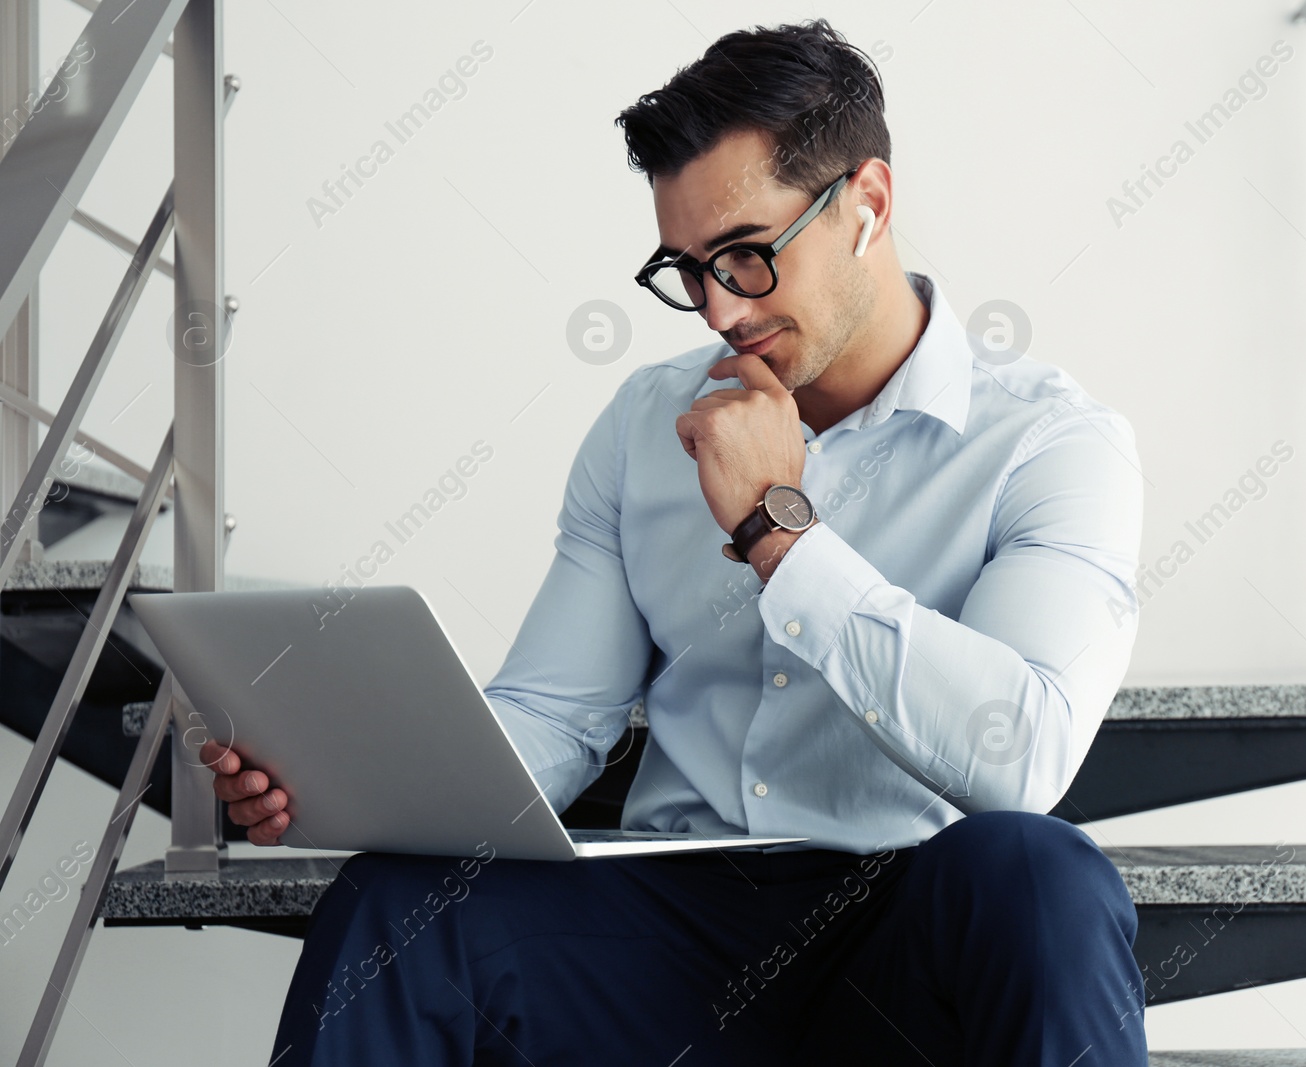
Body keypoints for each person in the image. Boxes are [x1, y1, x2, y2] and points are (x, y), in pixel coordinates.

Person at [209, 18, 1148, 1065]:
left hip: (903, 933)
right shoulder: (643, 425)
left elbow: (1020, 755)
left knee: (1041, 872)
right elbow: (557, 716)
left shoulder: (1048, 444)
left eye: (746, 256)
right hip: (666, 925)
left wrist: (778, 532)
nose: (715, 310)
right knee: (401, 897)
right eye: (686, 267)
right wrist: (356, 777)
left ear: (867, 207)